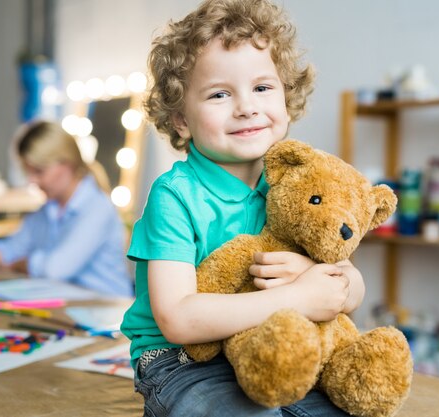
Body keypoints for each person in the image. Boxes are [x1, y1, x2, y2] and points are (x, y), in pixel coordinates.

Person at [120, 0, 366, 415]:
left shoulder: (299, 181)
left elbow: (351, 285)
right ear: (181, 119)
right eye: (220, 94)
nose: (247, 107)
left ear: (286, 94)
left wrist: (316, 278)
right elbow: (178, 318)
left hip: (277, 347)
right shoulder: (175, 195)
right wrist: (297, 299)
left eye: (262, 87)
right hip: (183, 361)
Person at [0, 121, 133, 297]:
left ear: (67, 163)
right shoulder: (47, 209)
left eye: (39, 171)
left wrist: (19, 263)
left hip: (110, 311)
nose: (32, 181)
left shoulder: (98, 208)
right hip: (69, 306)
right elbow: (15, 246)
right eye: (29, 172)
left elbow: (54, 269)